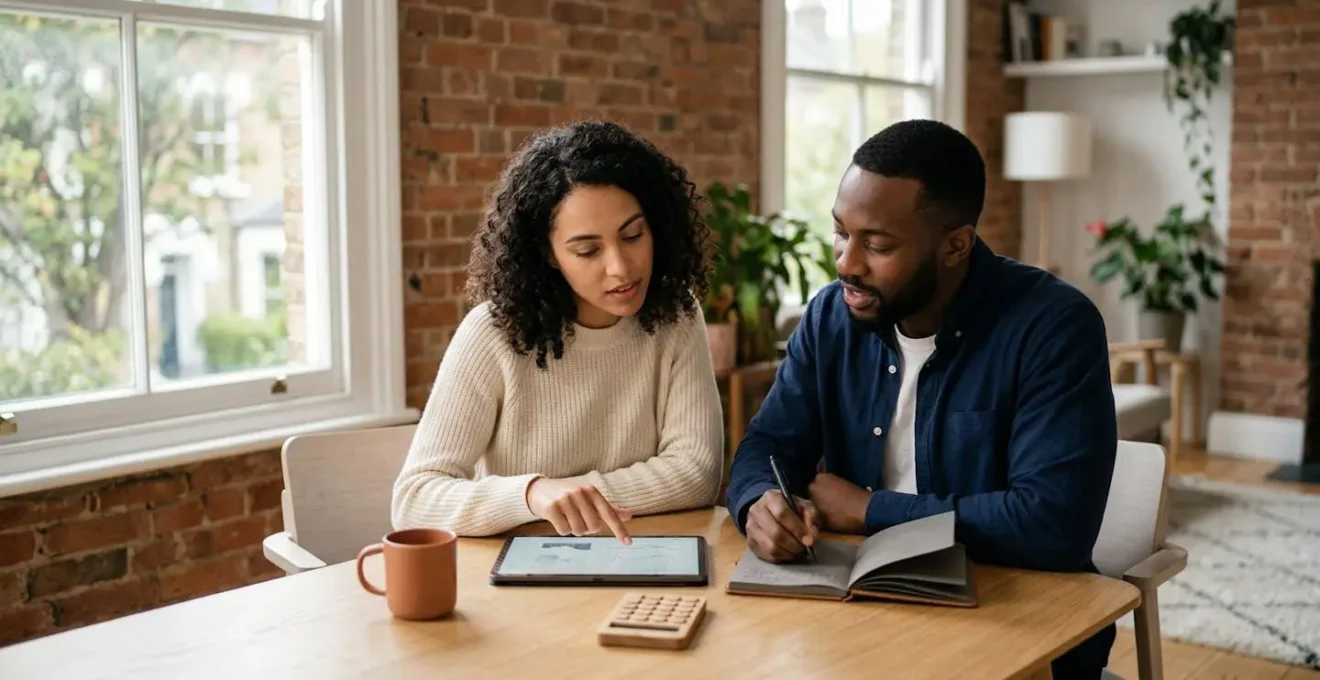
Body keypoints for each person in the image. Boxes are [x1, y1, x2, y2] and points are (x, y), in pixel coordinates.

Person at [723, 119, 1119, 678]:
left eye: (877, 244)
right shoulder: (830, 316)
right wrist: (759, 502)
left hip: (1018, 625)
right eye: (841, 232)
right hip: (855, 618)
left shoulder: (1054, 327)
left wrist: (868, 510)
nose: (846, 263)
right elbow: (767, 444)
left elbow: (1054, 525)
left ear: (956, 245)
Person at [392, 119, 725, 542]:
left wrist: (573, 498)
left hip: (638, 558)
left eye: (633, 235)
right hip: (522, 578)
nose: (620, 268)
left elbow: (697, 472)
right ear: (548, 255)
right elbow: (416, 498)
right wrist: (532, 494)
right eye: (587, 250)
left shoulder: (675, 316)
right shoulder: (491, 334)